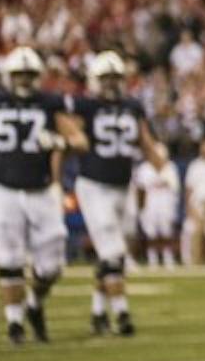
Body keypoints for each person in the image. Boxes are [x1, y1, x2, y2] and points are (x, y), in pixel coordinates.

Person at [0, 47, 88, 345]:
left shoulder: (48, 103)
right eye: (19, 74)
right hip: (4, 189)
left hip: (41, 190)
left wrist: (59, 141)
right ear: (9, 75)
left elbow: (80, 141)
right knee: (8, 257)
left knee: (51, 265)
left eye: (29, 74)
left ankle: (34, 303)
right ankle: (14, 322)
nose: (24, 80)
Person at [71, 50, 168, 336]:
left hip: (123, 186)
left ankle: (98, 312)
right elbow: (71, 139)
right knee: (113, 251)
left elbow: (145, 141)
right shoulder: (84, 107)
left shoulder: (132, 106)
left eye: (116, 77)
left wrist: (164, 169)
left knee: (113, 252)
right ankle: (122, 313)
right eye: (106, 78)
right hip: (93, 184)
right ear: (93, 80)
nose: (112, 83)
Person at [134, 153, 181, 267]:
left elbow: (175, 188)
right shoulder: (144, 168)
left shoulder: (170, 167)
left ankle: (168, 258)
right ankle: (152, 259)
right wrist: (140, 207)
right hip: (149, 205)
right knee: (151, 233)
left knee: (167, 232)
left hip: (166, 204)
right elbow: (140, 189)